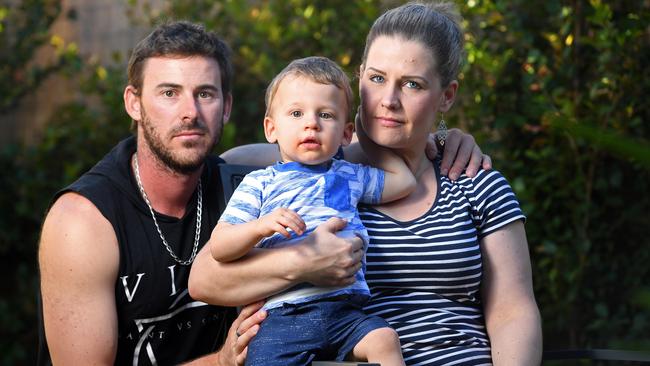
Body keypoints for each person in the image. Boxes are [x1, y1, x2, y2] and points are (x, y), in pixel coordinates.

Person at [37, 19, 486, 366]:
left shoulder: (236, 171)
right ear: (133, 102)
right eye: (169, 93)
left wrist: (436, 137)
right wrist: (222, 360)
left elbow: (321, 149)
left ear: (227, 106)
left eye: (206, 94)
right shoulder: (85, 221)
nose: (190, 112)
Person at [189, 2, 542, 365]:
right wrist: (300, 261)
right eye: (376, 78)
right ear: (359, 78)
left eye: (412, 85)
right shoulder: (325, 174)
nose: (388, 101)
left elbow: (512, 311)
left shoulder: (473, 180)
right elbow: (204, 276)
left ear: (446, 96)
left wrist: (442, 138)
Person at [210, 56, 409, 365]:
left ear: (345, 134)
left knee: (385, 340)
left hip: (346, 311)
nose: (311, 123)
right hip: (282, 313)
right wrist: (260, 227)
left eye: (326, 115)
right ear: (271, 128)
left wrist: (367, 135)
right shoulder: (260, 183)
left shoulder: (350, 174)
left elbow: (404, 182)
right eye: (297, 113)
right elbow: (221, 247)